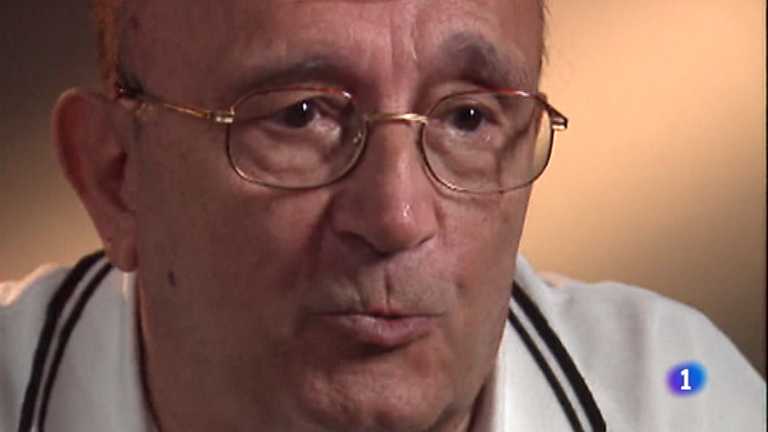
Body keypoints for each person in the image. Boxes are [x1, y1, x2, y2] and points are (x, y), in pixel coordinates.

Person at [1, 0, 764, 431]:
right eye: (300, 115)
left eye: (467, 117)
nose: (398, 217)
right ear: (116, 176)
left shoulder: (678, 400)